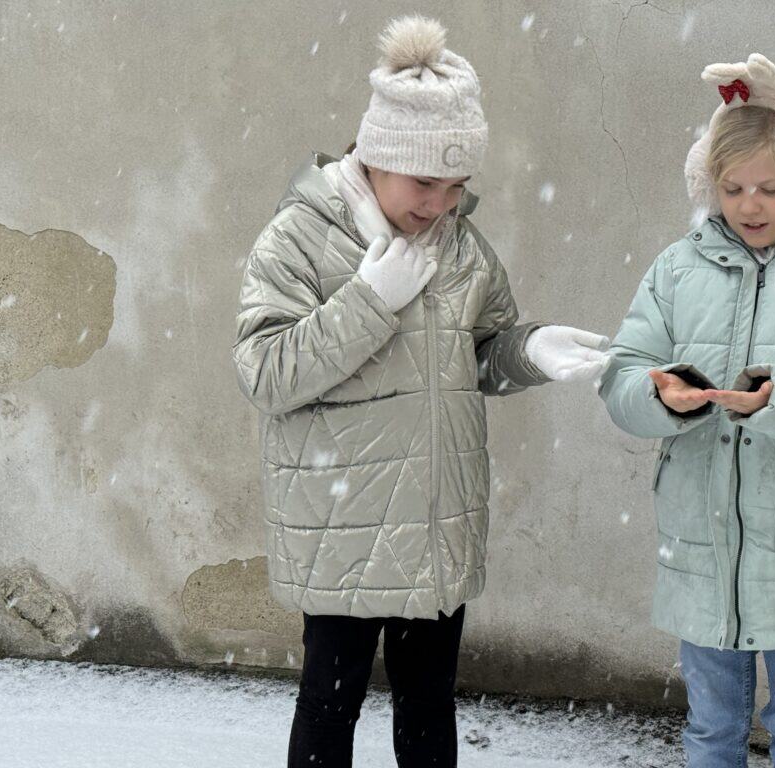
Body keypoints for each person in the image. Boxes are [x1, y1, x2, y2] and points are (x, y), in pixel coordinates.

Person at [233, 15, 610, 768]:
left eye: (457, 185)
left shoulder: (463, 249)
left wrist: (528, 350)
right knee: (329, 708)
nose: (440, 204)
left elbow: (479, 357)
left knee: (430, 706)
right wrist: (370, 301)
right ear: (377, 156)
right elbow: (266, 372)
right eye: (425, 183)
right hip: (340, 528)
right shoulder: (299, 238)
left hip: (435, 525)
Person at [600, 53, 775, 766]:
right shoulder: (677, 267)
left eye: (771, 188)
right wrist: (660, 395)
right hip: (702, 545)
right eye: (732, 188)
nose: (750, 205)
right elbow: (621, 376)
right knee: (710, 731)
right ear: (707, 185)